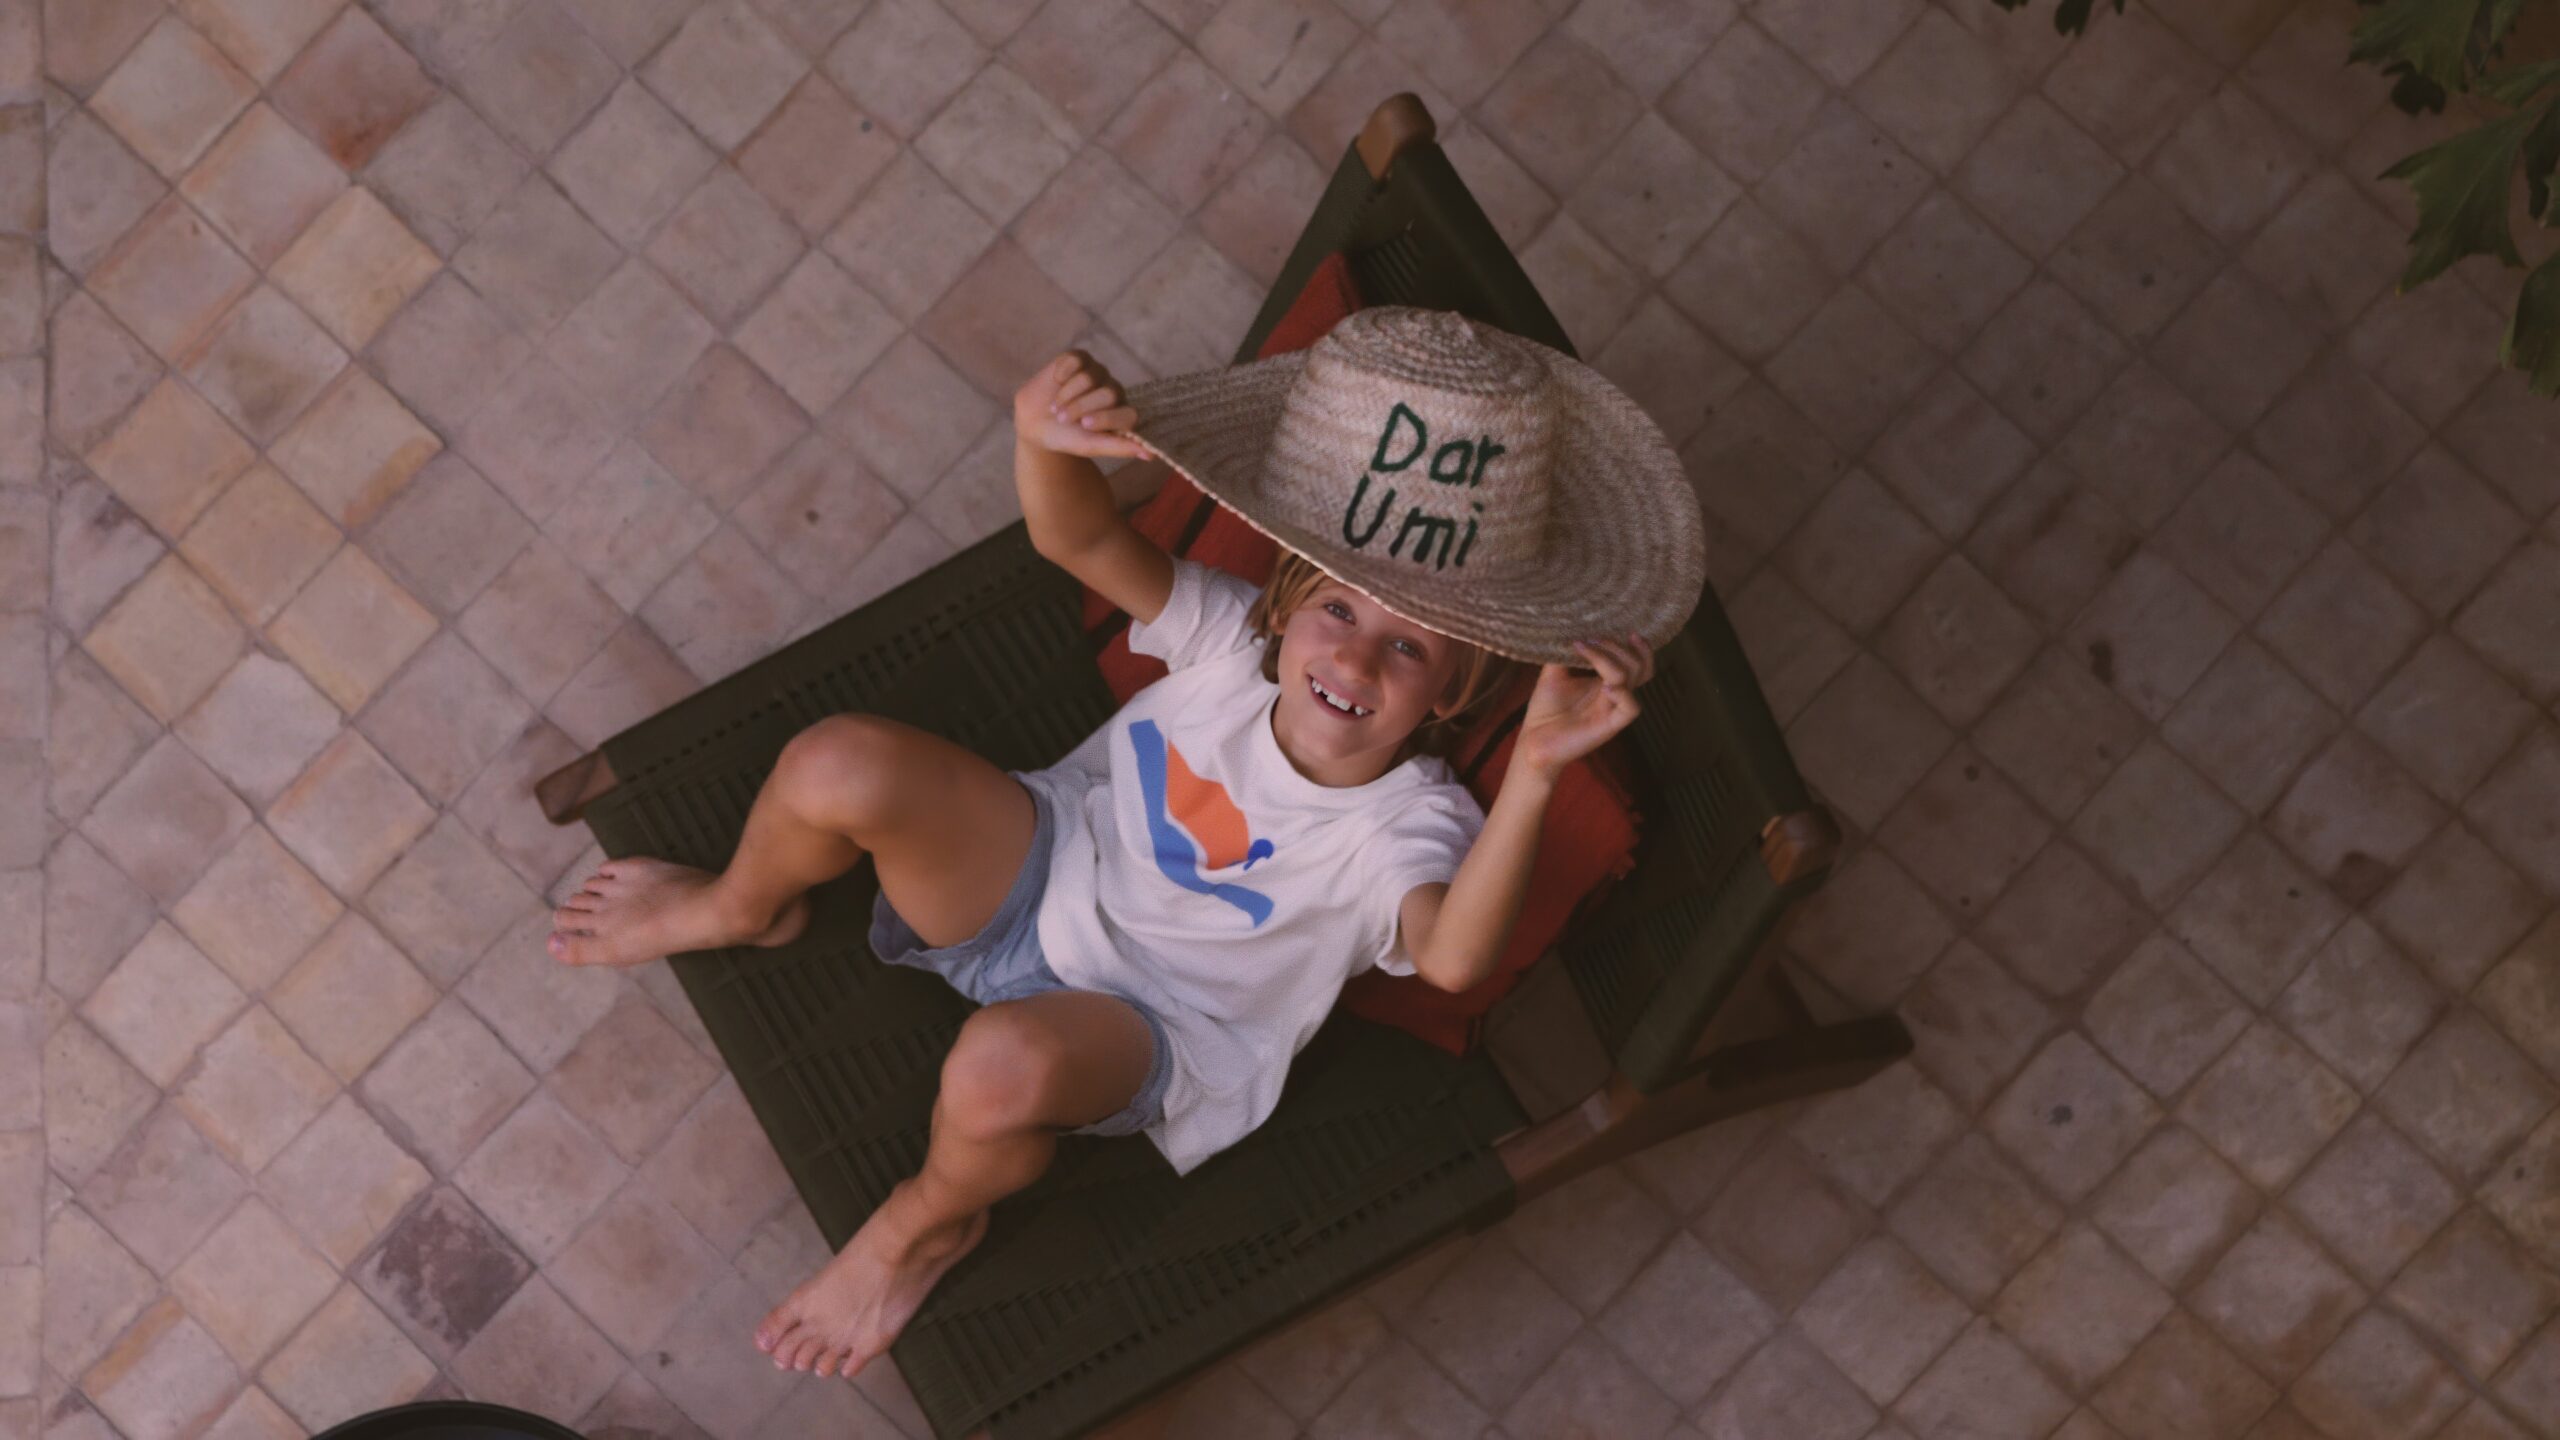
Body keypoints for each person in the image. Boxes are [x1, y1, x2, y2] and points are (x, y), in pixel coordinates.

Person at [544, 306, 1708, 1382]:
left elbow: (1453, 960)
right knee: (834, 761)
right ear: (1286, 602)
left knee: (998, 1072)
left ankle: (927, 1221)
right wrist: (1039, 438)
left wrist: (1542, 775)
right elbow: (1073, 537)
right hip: (1040, 867)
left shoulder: (1408, 825)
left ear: (1454, 695)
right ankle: (749, 902)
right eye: (1339, 611)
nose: (1352, 662)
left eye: (1410, 652)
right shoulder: (1220, 644)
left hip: (1150, 1024)